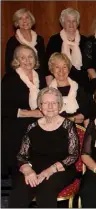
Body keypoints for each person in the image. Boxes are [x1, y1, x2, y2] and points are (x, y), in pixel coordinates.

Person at [8, 87, 80, 208]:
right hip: (35, 168)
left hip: (61, 169)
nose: (50, 106)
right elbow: (21, 155)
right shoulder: (32, 127)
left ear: (60, 106)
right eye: (46, 103)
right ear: (40, 107)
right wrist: (28, 170)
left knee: (45, 191)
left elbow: (73, 156)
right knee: (19, 191)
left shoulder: (68, 126)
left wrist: (49, 170)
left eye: (54, 103)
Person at [2, 45, 46, 178]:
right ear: (17, 60)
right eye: (23, 57)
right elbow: (4, 107)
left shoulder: (41, 77)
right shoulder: (10, 78)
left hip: (39, 119)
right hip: (16, 122)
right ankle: (21, 173)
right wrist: (31, 113)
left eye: (30, 57)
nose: (27, 60)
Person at [46, 8, 88, 87]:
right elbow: (49, 64)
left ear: (77, 23)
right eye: (68, 21)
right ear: (63, 23)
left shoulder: (85, 41)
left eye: (74, 21)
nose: (71, 24)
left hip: (82, 83)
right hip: (60, 81)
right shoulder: (54, 40)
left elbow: (88, 65)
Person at [5, 8, 48, 83]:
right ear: (17, 23)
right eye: (20, 19)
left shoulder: (39, 39)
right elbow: (9, 67)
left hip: (39, 79)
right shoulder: (12, 42)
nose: (24, 21)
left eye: (27, 18)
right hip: (20, 81)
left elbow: (43, 62)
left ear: (31, 19)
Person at [48, 53, 90, 126]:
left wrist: (73, 119)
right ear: (52, 69)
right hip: (55, 127)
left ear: (68, 69)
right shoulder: (47, 92)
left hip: (76, 127)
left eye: (64, 67)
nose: (61, 71)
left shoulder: (78, 87)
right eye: (57, 67)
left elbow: (86, 111)